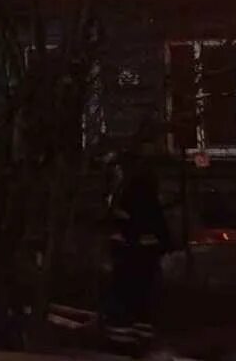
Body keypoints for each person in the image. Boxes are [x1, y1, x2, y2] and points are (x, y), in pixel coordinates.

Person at [103, 151, 171, 352]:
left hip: (130, 258)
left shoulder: (129, 194)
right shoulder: (146, 194)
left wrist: (122, 240)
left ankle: (123, 343)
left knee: (124, 302)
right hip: (144, 259)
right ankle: (140, 341)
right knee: (142, 304)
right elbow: (161, 230)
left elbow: (126, 224)